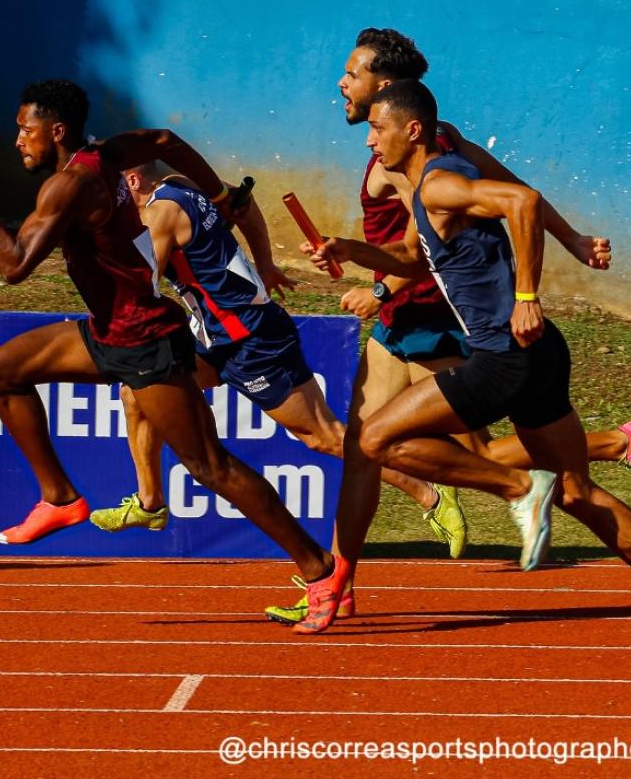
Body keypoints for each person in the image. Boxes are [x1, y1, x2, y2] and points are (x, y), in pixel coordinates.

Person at [301, 80, 631, 670]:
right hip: (541, 355)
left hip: (506, 356)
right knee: (577, 492)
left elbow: (522, 203)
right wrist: (351, 250)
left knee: (372, 439)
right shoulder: (431, 187)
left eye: (378, 129)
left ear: (411, 130)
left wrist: (527, 294)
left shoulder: (442, 180)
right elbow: (414, 260)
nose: (371, 141)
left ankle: (521, 488)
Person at [262, 29, 631, 626]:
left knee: (410, 445)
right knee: (370, 445)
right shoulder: (432, 144)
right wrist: (574, 239)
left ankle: (552, 474)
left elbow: (475, 220)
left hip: (442, 317)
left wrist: (381, 287)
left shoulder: (414, 166)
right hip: (415, 315)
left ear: (389, 93)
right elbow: (491, 203)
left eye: (352, 75)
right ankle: (338, 583)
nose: (342, 85)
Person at [0, 79, 334, 588]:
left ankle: (319, 569)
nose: (18, 140)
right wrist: (219, 193)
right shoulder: (107, 154)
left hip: (143, 341)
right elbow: (162, 141)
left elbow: (14, 266)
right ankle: (60, 499)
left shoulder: (67, 186)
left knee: (211, 468)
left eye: (25, 130)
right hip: (108, 332)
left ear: (57, 130)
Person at [91, 163, 463, 559]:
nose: (110, 202)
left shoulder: (159, 214)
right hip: (214, 338)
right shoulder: (186, 182)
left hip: (252, 341)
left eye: (112, 192)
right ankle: (151, 504)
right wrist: (265, 265)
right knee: (139, 390)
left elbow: (141, 290)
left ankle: (430, 492)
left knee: (323, 437)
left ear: (132, 180)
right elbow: (245, 207)